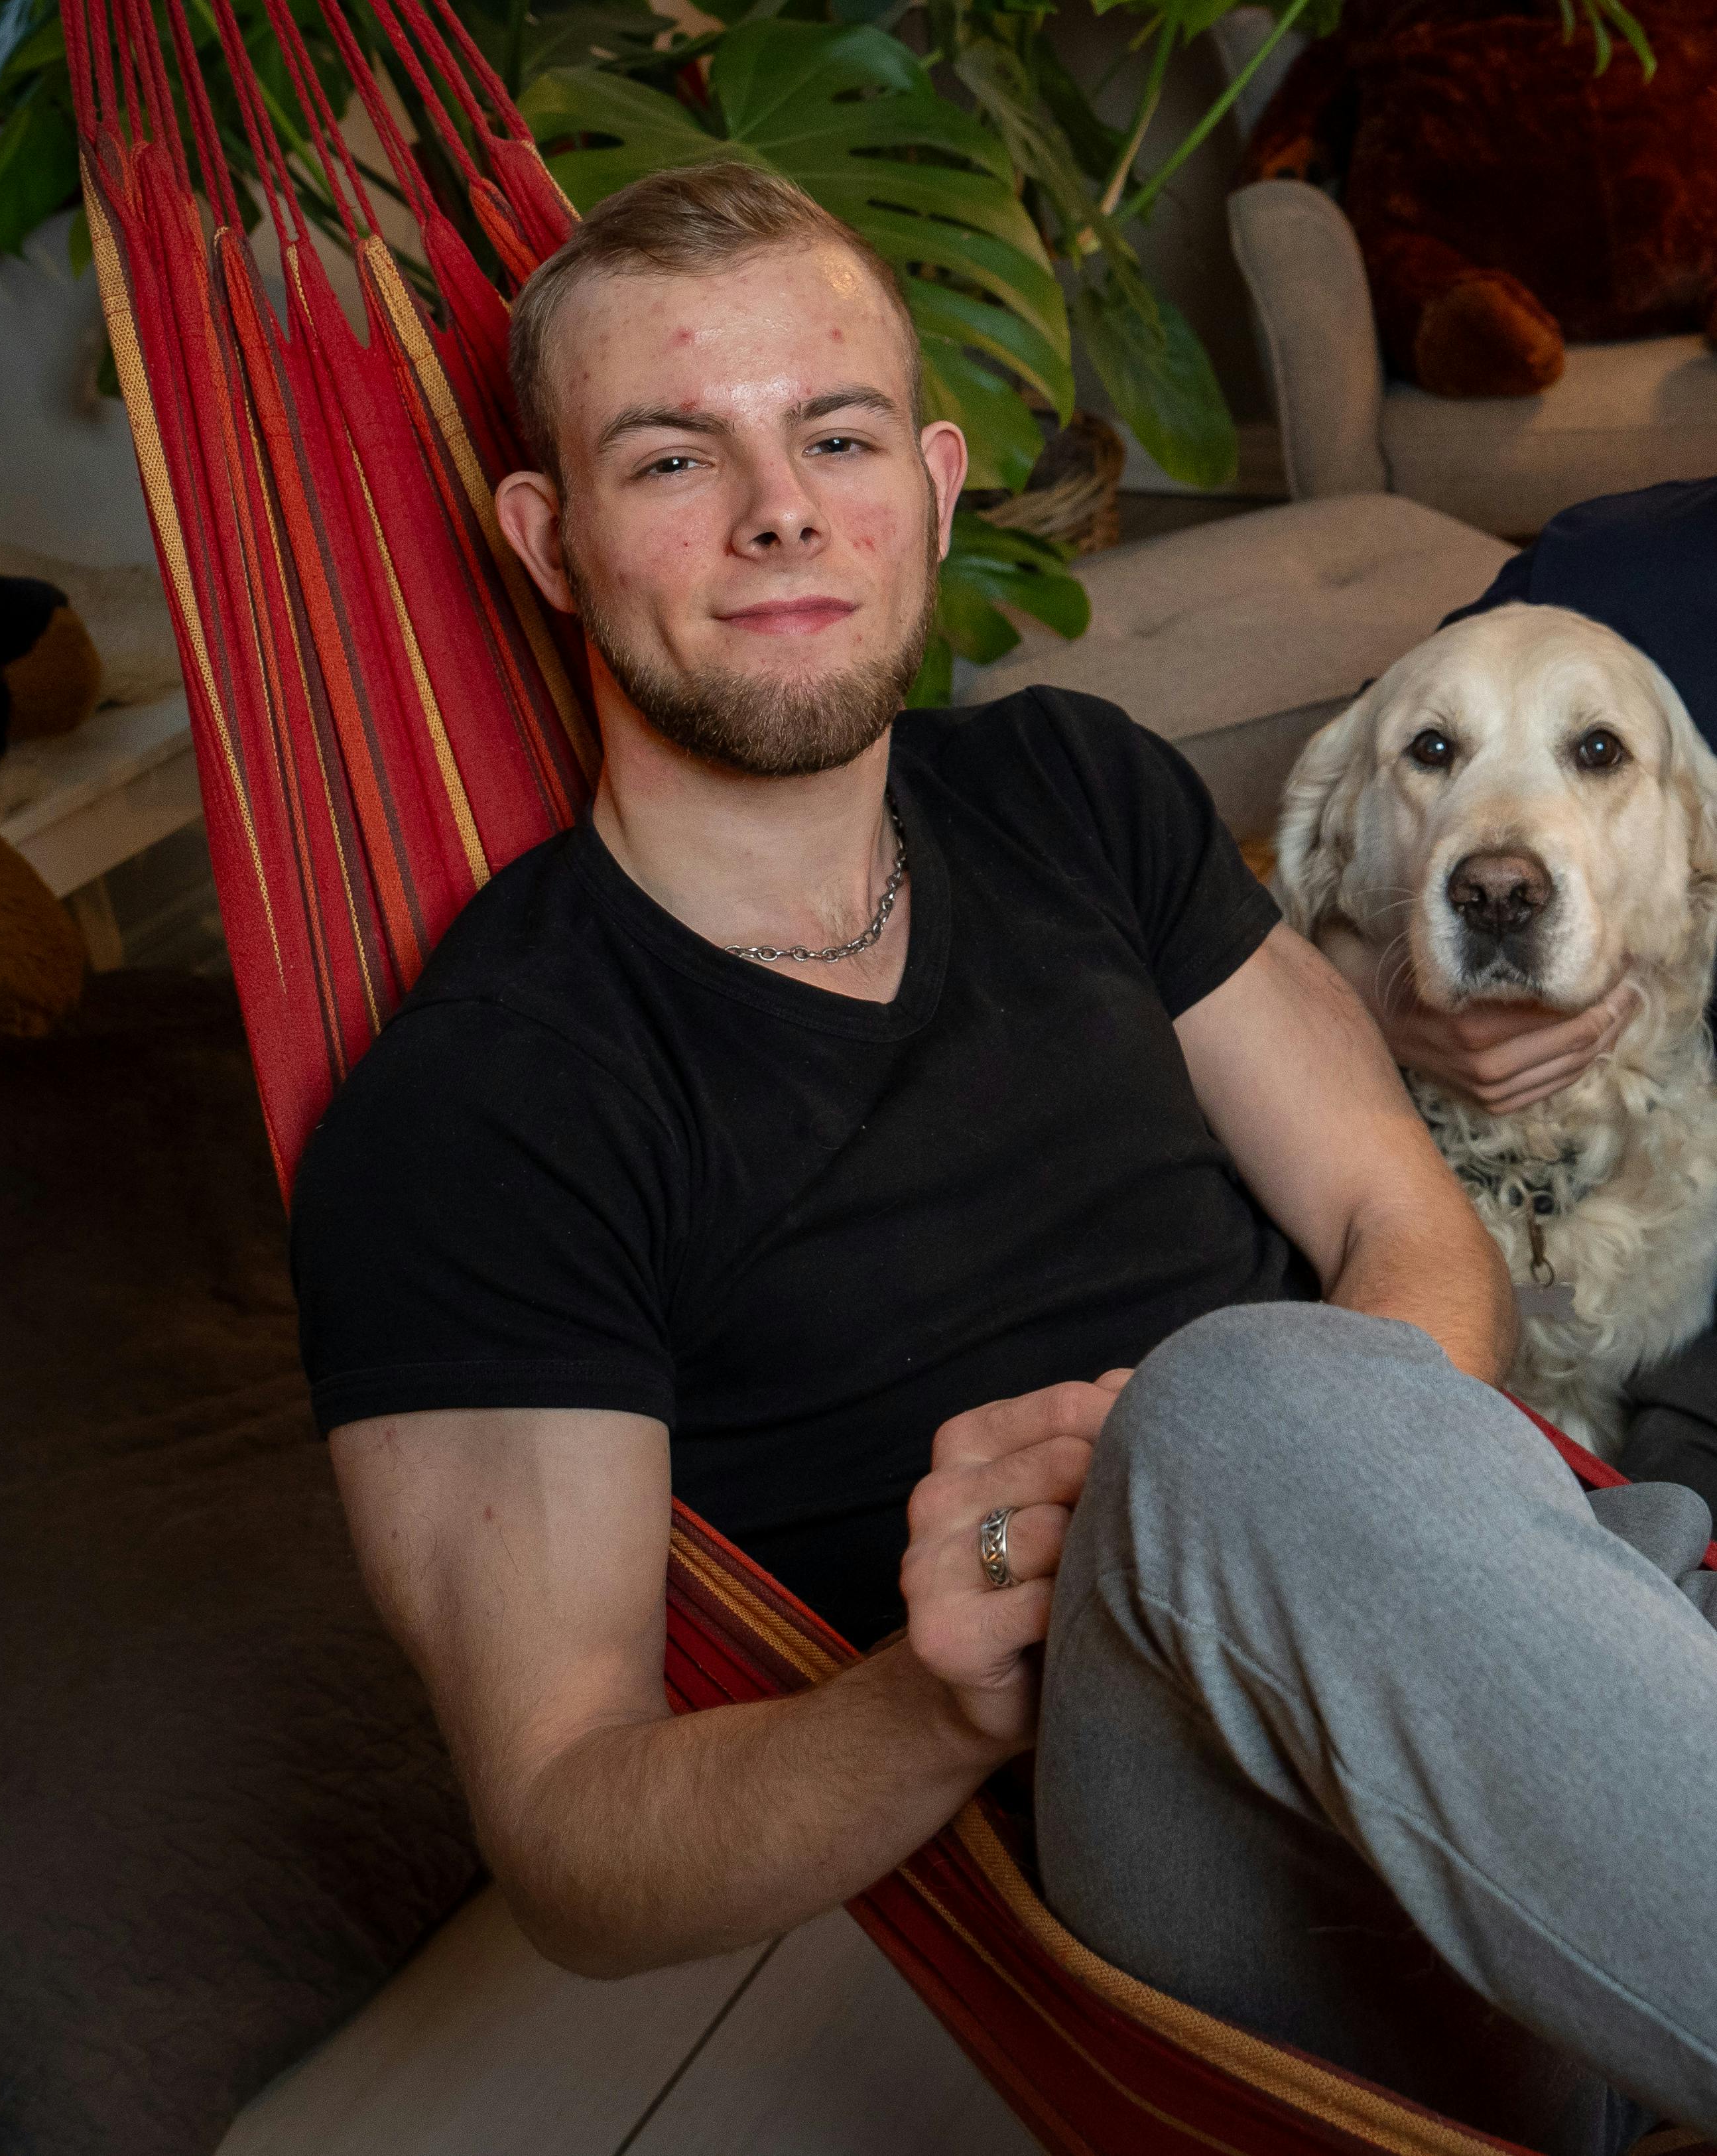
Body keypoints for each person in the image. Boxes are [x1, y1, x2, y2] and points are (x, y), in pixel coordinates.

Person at [290, 161, 1717, 2151]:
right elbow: (566, 1835)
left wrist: (1344, 1508)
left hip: (1552, 1613)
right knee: (1227, 1408)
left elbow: (1405, 1224)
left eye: (837, 433)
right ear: (546, 538)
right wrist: (937, 1684)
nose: (780, 506)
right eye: (672, 458)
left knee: (1282, 1405)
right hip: (1169, 1824)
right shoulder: (482, 1107)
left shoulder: (1076, 788)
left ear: (935, 489)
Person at [1324, 476, 1717, 1509]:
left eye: (1596, 752)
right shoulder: (1607, 562)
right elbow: (1382, 764)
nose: (1502, 876)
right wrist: (1358, 984)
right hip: (1458, 1172)